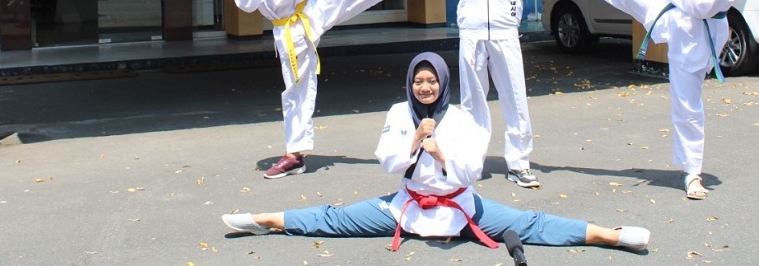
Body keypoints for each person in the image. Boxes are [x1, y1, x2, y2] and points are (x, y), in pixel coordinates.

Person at [222, 52, 651, 255]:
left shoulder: (464, 118)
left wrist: (441, 153)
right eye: (417, 81)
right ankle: (265, 221)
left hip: (461, 206)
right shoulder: (397, 112)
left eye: (431, 81)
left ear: (443, 82)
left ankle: (612, 234)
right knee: (336, 218)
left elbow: (471, 172)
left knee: (531, 224)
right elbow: (387, 160)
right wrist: (412, 144)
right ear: (410, 83)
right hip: (406, 205)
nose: (424, 87)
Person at [546, 0, 739, 200]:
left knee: (687, 105)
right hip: (673, 16)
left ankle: (693, 172)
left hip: (698, 36)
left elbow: (699, 6)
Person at [233, 0, 438, 179]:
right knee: (297, 88)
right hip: (288, 29)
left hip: (312, 9)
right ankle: (295, 154)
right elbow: (245, 4)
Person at [400, 0, 560, 189]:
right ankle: (471, 160)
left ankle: (519, 163)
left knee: (514, 98)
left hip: (504, 31)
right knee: (473, 101)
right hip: (471, 32)